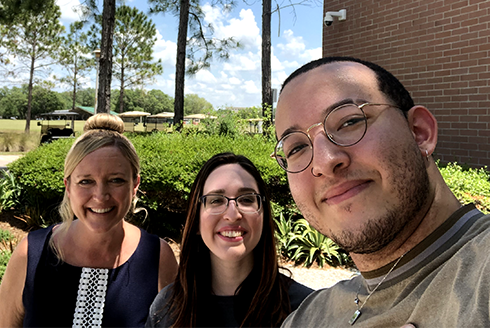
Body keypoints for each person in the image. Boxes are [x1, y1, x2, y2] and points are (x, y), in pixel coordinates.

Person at [272, 56, 490, 327]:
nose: (324, 161)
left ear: (419, 132)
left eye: (350, 122)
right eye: (296, 148)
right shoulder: (305, 319)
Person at [0, 113, 178, 327]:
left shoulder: (158, 258)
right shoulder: (31, 254)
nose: (100, 195)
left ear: (135, 185)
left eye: (116, 180)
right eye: (85, 181)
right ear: (68, 186)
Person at [146, 152, 313, 327]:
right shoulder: (166, 310)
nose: (233, 215)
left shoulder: (306, 310)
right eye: (216, 200)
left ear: (264, 216)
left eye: (247, 199)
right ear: (196, 220)